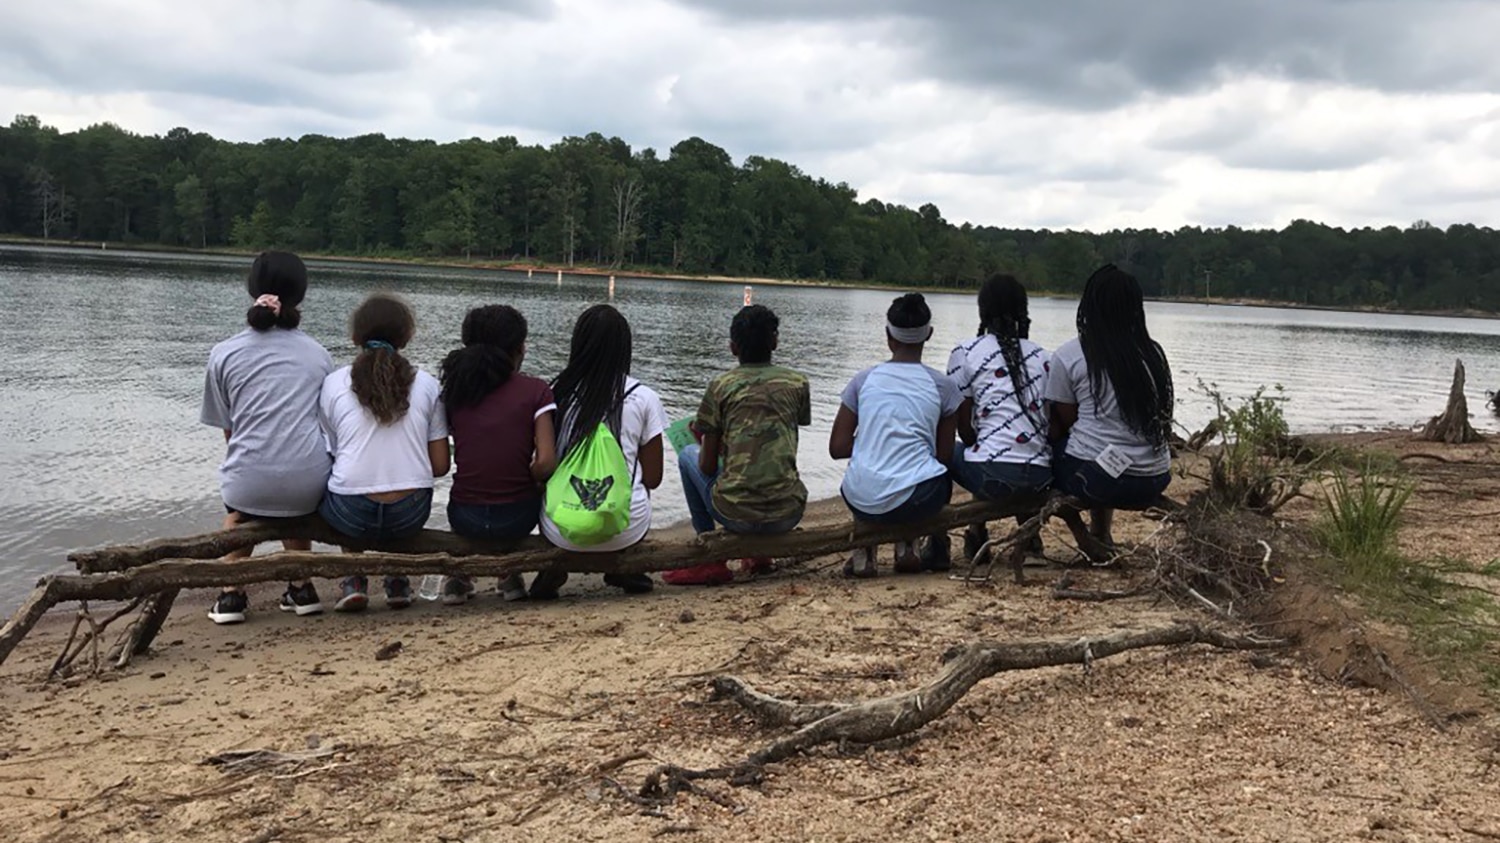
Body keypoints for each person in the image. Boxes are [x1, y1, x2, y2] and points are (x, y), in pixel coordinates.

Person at [200, 251, 334, 624]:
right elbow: (321, 425)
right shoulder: (319, 356)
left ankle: (231, 595)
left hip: (248, 486)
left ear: (252, 290)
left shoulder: (223, 353)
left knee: (241, 508)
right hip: (308, 486)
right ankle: (302, 587)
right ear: (301, 296)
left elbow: (230, 431)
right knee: (296, 491)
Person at [318, 293, 451, 611]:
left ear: (354, 338)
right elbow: (440, 466)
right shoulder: (429, 385)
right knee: (401, 489)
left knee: (337, 483)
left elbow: (333, 452)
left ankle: (354, 578)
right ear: (406, 338)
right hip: (410, 513)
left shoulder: (333, 383)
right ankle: (396, 579)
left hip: (352, 514)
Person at [666, 305, 811, 586]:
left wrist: (714, 442)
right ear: (775, 342)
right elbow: (784, 439)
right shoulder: (797, 383)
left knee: (687, 455)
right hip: (788, 511)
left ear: (733, 347)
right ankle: (759, 557)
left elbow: (707, 466)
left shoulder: (721, 386)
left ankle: (709, 557)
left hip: (736, 514)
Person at [535, 304, 667, 598]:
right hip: (626, 528)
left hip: (560, 529)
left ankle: (553, 567)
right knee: (636, 482)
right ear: (625, 348)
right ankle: (624, 566)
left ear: (578, 345)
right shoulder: (644, 397)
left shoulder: (556, 394)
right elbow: (655, 478)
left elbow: (544, 466)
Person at [1045, 264, 1174, 560]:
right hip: (1154, 478)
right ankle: (1101, 531)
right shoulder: (1152, 353)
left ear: (1089, 306)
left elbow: (1065, 420)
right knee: (1098, 442)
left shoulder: (1070, 355)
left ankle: (1085, 537)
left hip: (1101, 481)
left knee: (1055, 446)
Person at [924, 274, 1052, 569]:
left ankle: (940, 541)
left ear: (983, 312)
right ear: (1024, 311)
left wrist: (982, 441)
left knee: (940, 449)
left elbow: (964, 428)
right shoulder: (1043, 356)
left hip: (994, 477)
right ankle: (1029, 541)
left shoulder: (966, 352)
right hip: (1041, 478)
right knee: (1009, 446)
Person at [830, 293, 962, 578]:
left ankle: (864, 553)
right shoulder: (944, 387)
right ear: (929, 335)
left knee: (871, 471)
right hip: (917, 500)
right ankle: (908, 544)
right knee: (937, 473)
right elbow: (944, 455)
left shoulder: (863, 380)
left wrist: (874, 442)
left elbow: (838, 447)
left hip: (861, 497)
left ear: (888, 335)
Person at [440, 304, 557, 605]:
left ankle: (458, 577)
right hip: (518, 517)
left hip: (464, 514)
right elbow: (545, 462)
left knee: (468, 478)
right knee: (541, 484)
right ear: (519, 348)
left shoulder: (453, 390)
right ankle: (509, 575)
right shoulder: (536, 390)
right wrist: (526, 477)